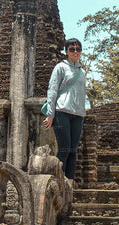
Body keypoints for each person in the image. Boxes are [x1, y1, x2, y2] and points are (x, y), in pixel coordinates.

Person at [42, 38, 87, 184]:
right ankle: (59, 181)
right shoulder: (60, 67)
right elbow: (52, 90)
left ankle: (69, 183)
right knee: (64, 148)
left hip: (78, 114)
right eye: (72, 49)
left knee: (73, 150)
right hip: (62, 111)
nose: (75, 52)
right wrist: (50, 115)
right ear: (66, 51)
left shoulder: (82, 72)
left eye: (78, 49)